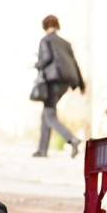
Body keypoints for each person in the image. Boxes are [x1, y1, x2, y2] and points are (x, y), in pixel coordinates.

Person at [32, 14, 85, 158]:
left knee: (49, 115)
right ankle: (42, 150)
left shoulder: (45, 40)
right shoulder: (65, 43)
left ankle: (71, 139)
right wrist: (81, 84)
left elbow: (47, 57)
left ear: (45, 26)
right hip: (65, 83)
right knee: (47, 114)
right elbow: (74, 63)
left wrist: (37, 64)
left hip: (52, 82)